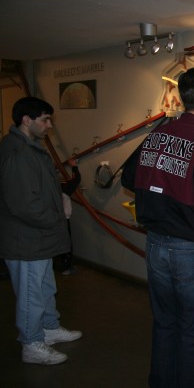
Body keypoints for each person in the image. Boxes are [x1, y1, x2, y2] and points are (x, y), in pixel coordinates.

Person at [121, 66, 194, 388]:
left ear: (182, 97)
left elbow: (129, 178)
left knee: (164, 324)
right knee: (191, 331)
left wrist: (164, 193)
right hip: (190, 251)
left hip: (156, 245)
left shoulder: (157, 135)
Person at [0, 97, 82, 365]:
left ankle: (48, 328)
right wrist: (58, 218)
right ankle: (31, 343)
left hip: (38, 237)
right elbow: (24, 204)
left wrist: (61, 196)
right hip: (25, 238)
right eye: (45, 120)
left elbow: (41, 188)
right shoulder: (16, 152)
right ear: (27, 120)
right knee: (30, 294)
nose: (49, 125)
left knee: (45, 287)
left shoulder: (30, 148)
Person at [58, 157, 81, 275]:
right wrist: (74, 166)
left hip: (53, 220)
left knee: (60, 243)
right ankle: (67, 267)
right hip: (62, 220)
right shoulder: (62, 188)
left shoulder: (51, 187)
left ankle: (64, 265)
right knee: (66, 244)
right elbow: (76, 179)